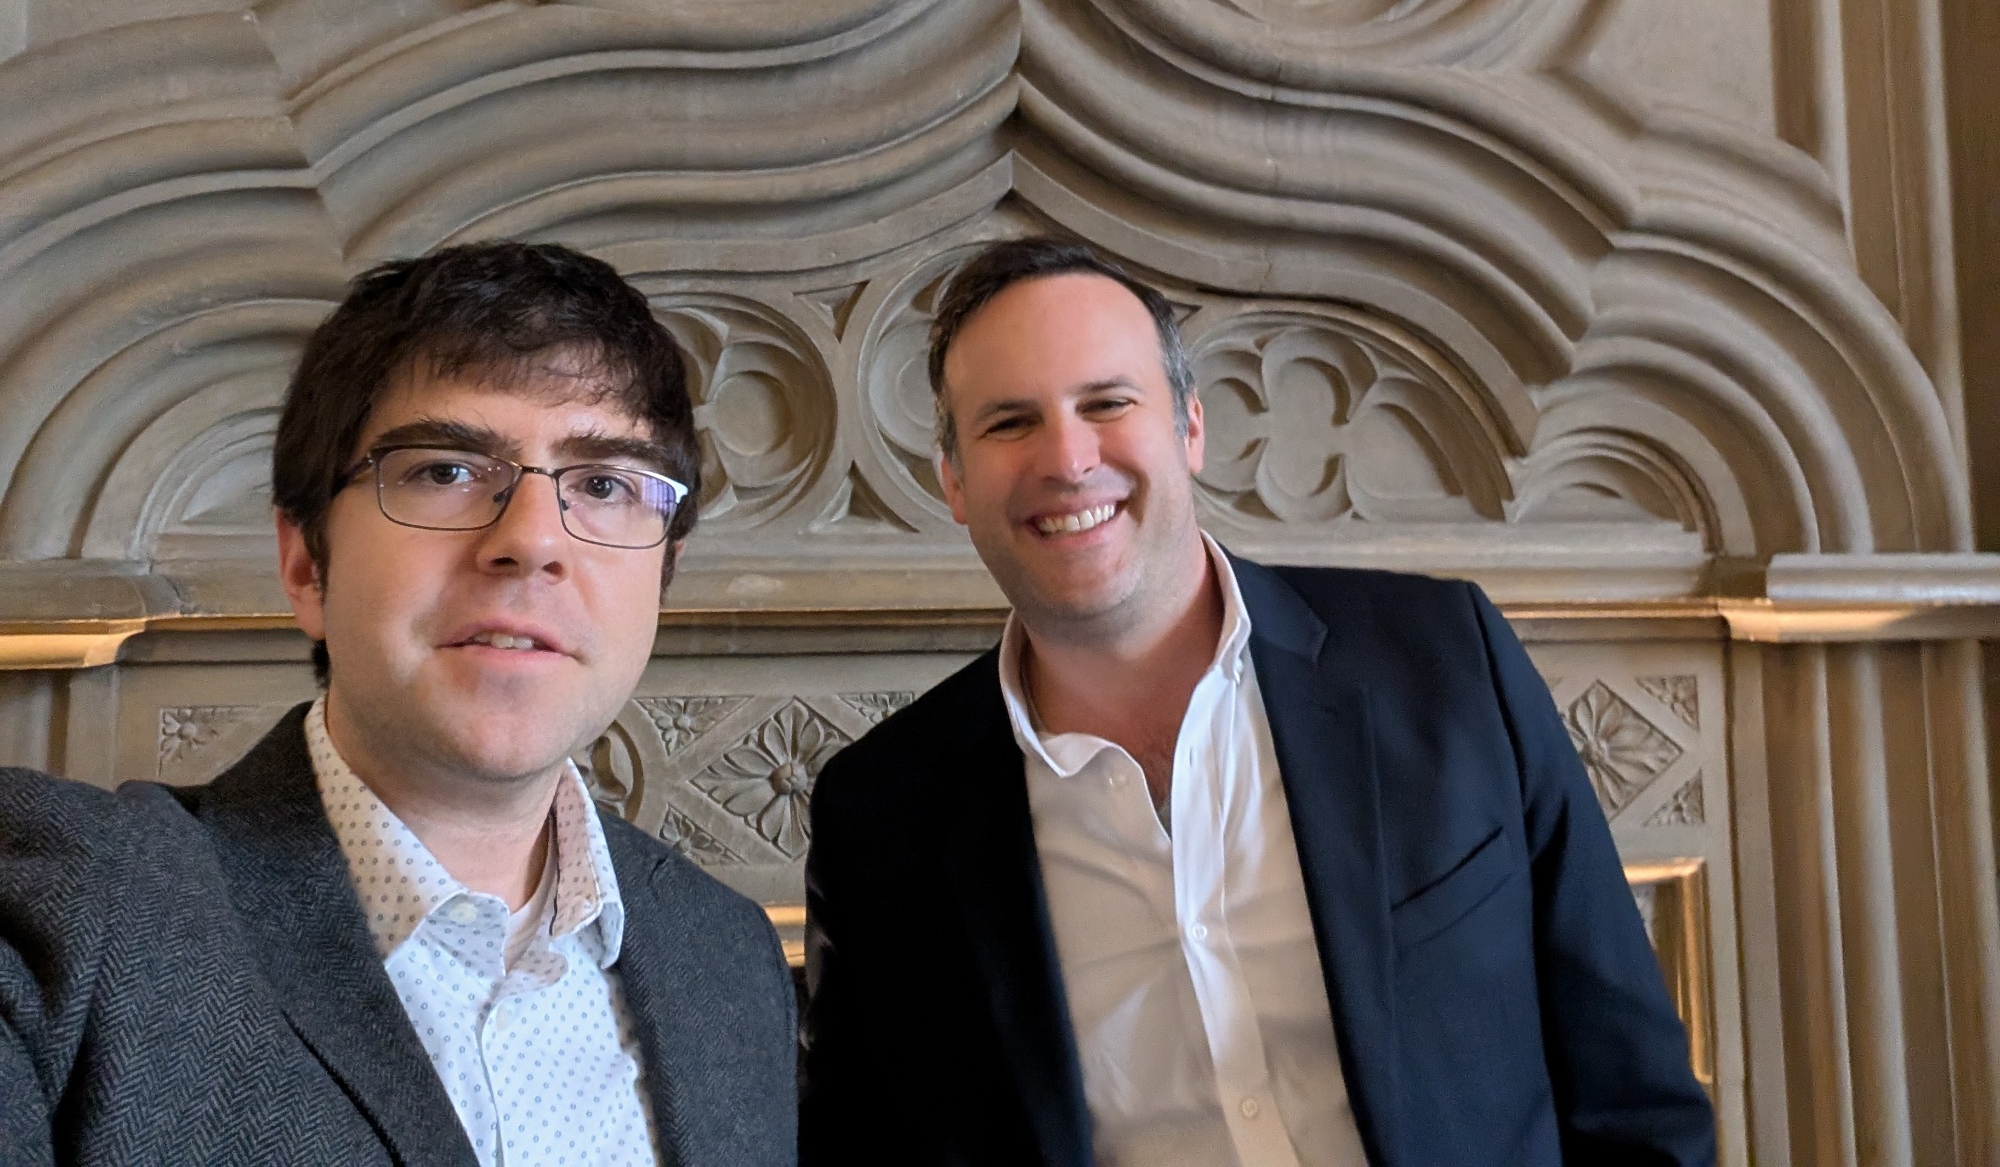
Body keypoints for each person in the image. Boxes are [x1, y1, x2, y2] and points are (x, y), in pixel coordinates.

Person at [799, 237, 1716, 1167]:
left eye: (1107, 403)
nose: (1068, 458)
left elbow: (1636, 1107)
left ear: (1190, 427)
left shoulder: (1446, 662)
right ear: (954, 480)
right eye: (1009, 422)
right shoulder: (879, 818)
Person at [0, 242, 796, 1166]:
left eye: (605, 484)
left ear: (663, 574)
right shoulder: (73, 911)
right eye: (446, 470)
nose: (534, 540)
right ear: (307, 564)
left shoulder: (729, 957)